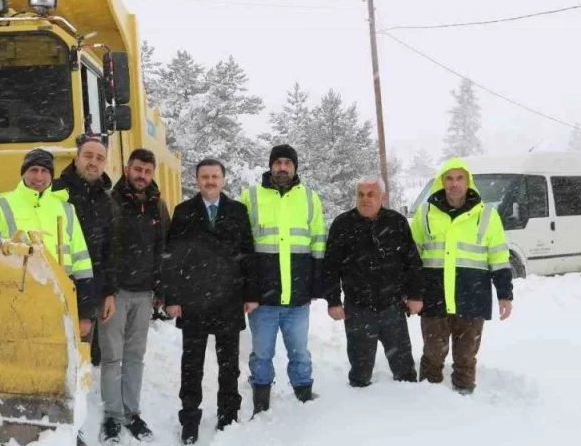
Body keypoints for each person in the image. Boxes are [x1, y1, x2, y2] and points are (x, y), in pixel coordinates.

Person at [161, 158, 256, 444]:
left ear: (223, 179)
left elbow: (248, 254)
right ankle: (190, 417)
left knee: (229, 364)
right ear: (197, 180)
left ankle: (228, 413)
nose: (210, 181)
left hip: (228, 298)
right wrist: (172, 297)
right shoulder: (183, 211)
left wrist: (251, 294)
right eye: (205, 177)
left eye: (215, 176)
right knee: (192, 364)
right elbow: (171, 257)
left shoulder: (238, 211)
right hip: (194, 300)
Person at [410, 157, 514, 395]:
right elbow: (412, 257)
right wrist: (411, 291)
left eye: (459, 178)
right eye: (449, 178)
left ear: (468, 182)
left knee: (466, 356)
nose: (454, 184)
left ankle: (465, 397)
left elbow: (498, 257)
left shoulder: (486, 215)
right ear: (441, 182)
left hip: (472, 298)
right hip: (434, 298)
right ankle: (427, 397)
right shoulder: (425, 213)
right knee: (432, 354)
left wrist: (505, 296)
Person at [239, 144, 326, 413]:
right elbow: (242, 248)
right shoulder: (250, 197)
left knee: (299, 351)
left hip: (297, 298)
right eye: (278, 162)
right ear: (270, 166)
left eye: (288, 162)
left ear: (295, 167)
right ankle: (261, 398)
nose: (283, 167)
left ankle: (303, 393)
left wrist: (315, 285)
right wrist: (247, 292)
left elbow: (318, 244)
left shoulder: (310, 198)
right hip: (262, 300)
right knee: (262, 354)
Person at [324, 175, 424, 388]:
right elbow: (330, 267)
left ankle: (412, 409)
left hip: (393, 308)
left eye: (371, 194)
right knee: (360, 374)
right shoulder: (343, 224)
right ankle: (361, 411)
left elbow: (412, 262)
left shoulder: (396, 222)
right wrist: (333, 301)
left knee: (404, 371)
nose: (365, 199)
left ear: (383, 197)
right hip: (358, 309)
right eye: (360, 194)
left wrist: (415, 295)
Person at [0, 148, 96, 333]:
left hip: (61, 300)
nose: (39, 177)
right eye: (33, 170)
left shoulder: (65, 208)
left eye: (45, 171)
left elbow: (81, 262)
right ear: (23, 173)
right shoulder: (0, 206)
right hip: (16, 300)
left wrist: (85, 313)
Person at [99, 148, 170, 444]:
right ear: (127, 168)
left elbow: (164, 249)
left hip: (143, 294)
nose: (142, 176)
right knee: (112, 356)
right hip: (115, 293)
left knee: (135, 357)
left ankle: (132, 413)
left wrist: (161, 288)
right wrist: (106, 290)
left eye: (147, 171)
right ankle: (112, 415)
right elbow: (103, 248)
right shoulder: (111, 201)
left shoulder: (157, 206)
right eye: (137, 169)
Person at [52, 133, 123, 366]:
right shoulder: (55, 192)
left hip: (88, 290)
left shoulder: (106, 200)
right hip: (53, 285)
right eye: (88, 156)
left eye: (100, 158)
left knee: (83, 360)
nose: (93, 162)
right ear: (76, 159)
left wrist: (109, 292)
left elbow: (110, 249)